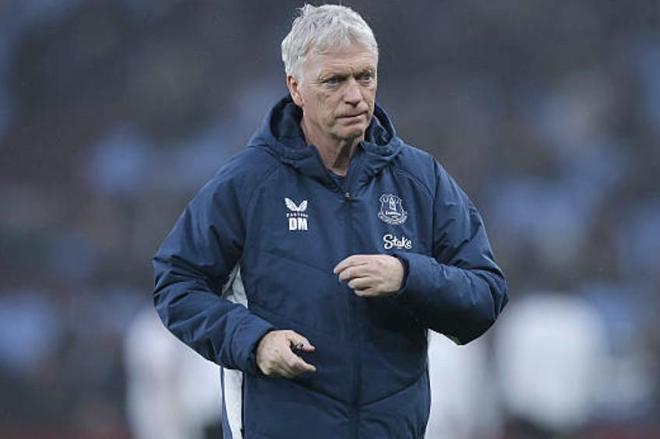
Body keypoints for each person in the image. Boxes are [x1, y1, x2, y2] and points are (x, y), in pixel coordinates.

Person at [153, 4, 508, 438]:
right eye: (334, 81)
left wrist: (407, 276)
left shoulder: (421, 180)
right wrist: (256, 342)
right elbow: (176, 283)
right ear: (296, 88)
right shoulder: (249, 182)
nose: (355, 95)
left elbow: (485, 294)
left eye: (365, 76)